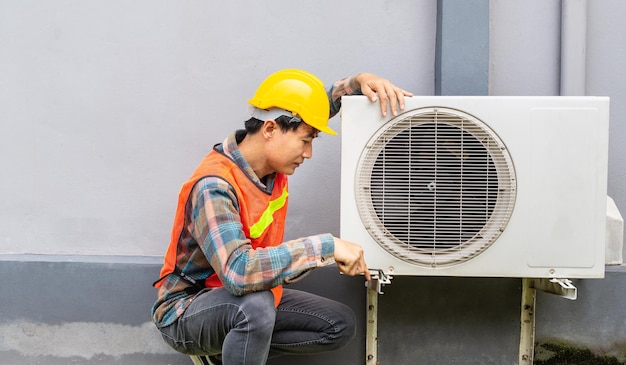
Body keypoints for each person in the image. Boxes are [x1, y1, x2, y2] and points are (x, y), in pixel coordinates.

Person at [151, 69, 412, 365]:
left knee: (338, 324)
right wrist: (324, 247)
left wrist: (359, 82)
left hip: (246, 299)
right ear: (271, 129)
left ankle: (229, 352)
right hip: (187, 311)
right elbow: (239, 273)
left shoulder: (270, 164)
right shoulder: (215, 185)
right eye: (305, 141)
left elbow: (315, 106)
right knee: (254, 306)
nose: (309, 153)